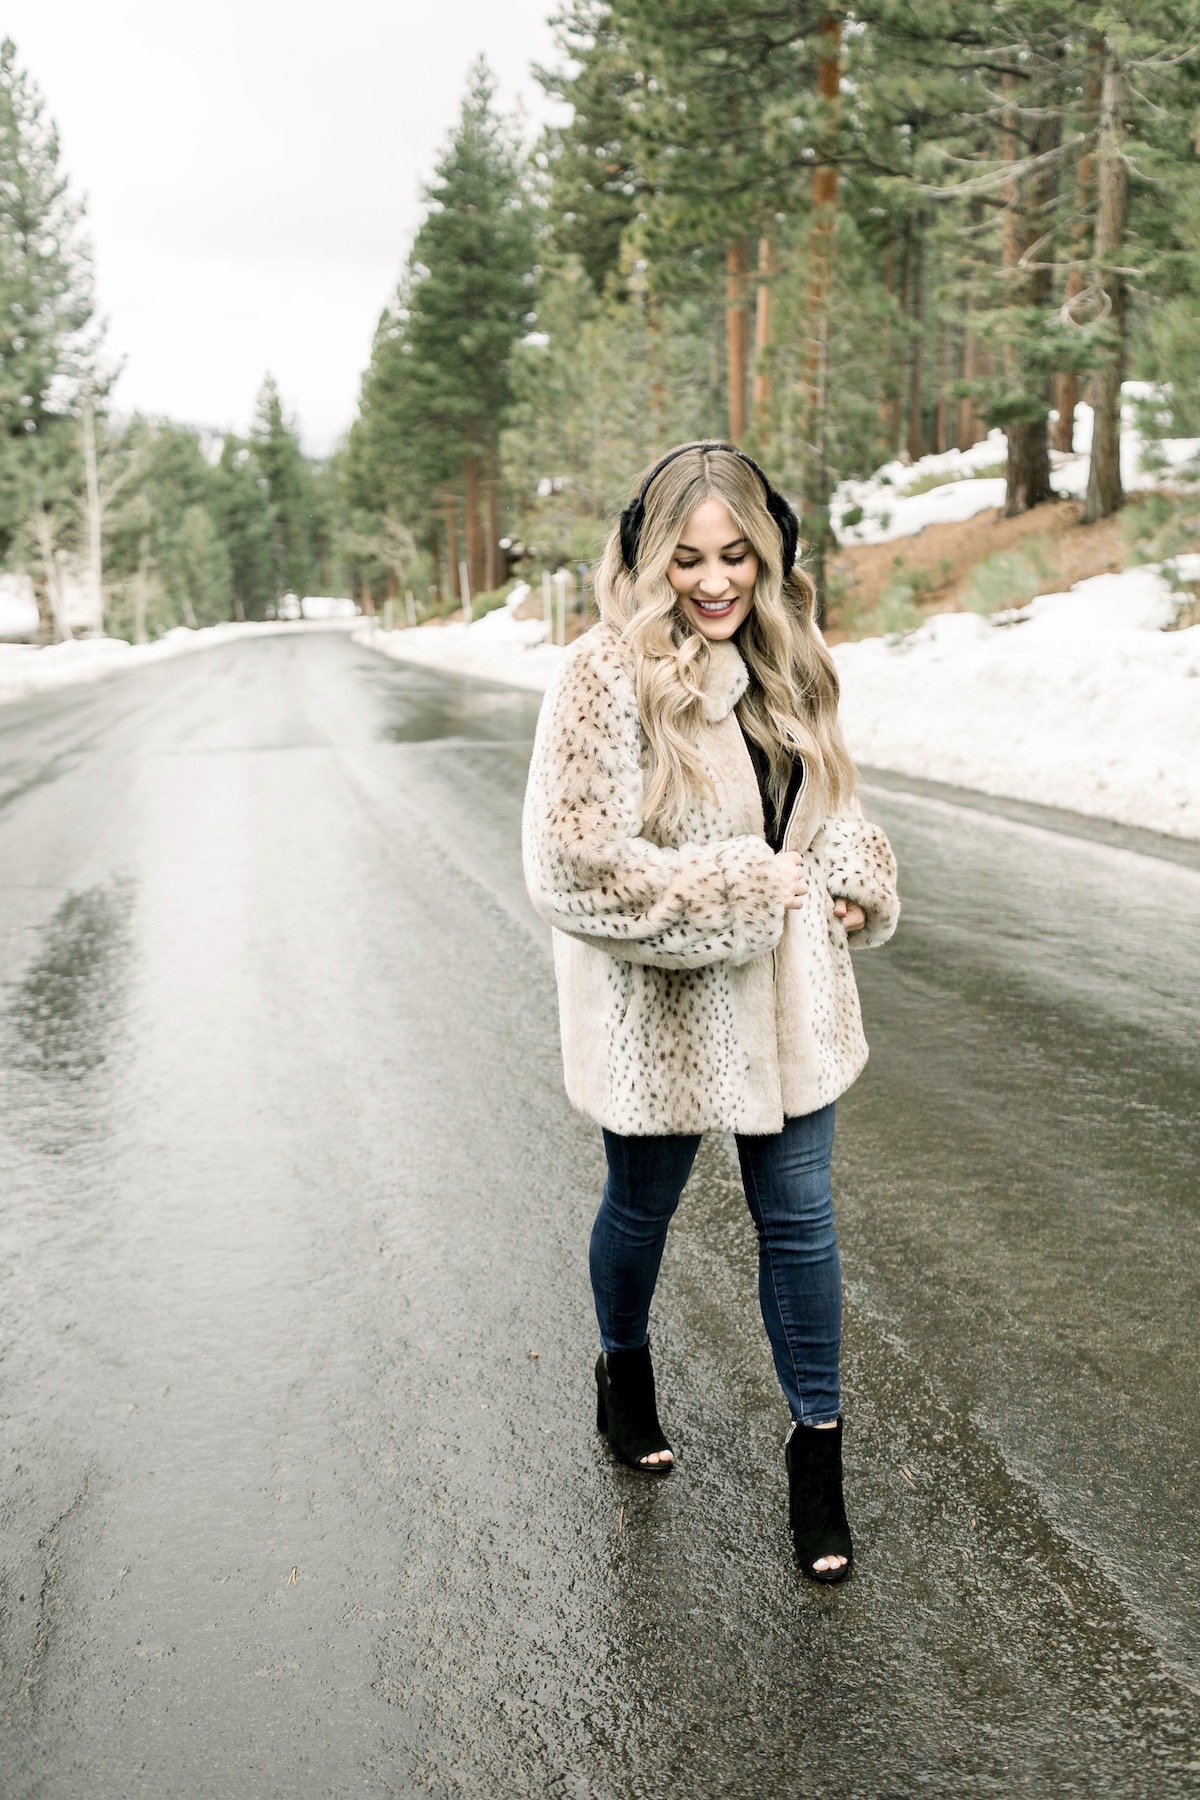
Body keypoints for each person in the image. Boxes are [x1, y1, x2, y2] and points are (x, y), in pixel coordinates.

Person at [521, 442, 899, 1583]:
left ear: (768, 551)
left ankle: (818, 1466)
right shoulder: (600, 674)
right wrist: (736, 895)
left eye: (737, 554)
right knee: (641, 1211)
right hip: (665, 1010)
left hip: (792, 999)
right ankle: (622, 1368)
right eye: (687, 559)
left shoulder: (791, 652)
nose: (716, 581)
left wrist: (843, 867)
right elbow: (573, 865)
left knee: (800, 1221)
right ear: (647, 558)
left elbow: (824, 803)